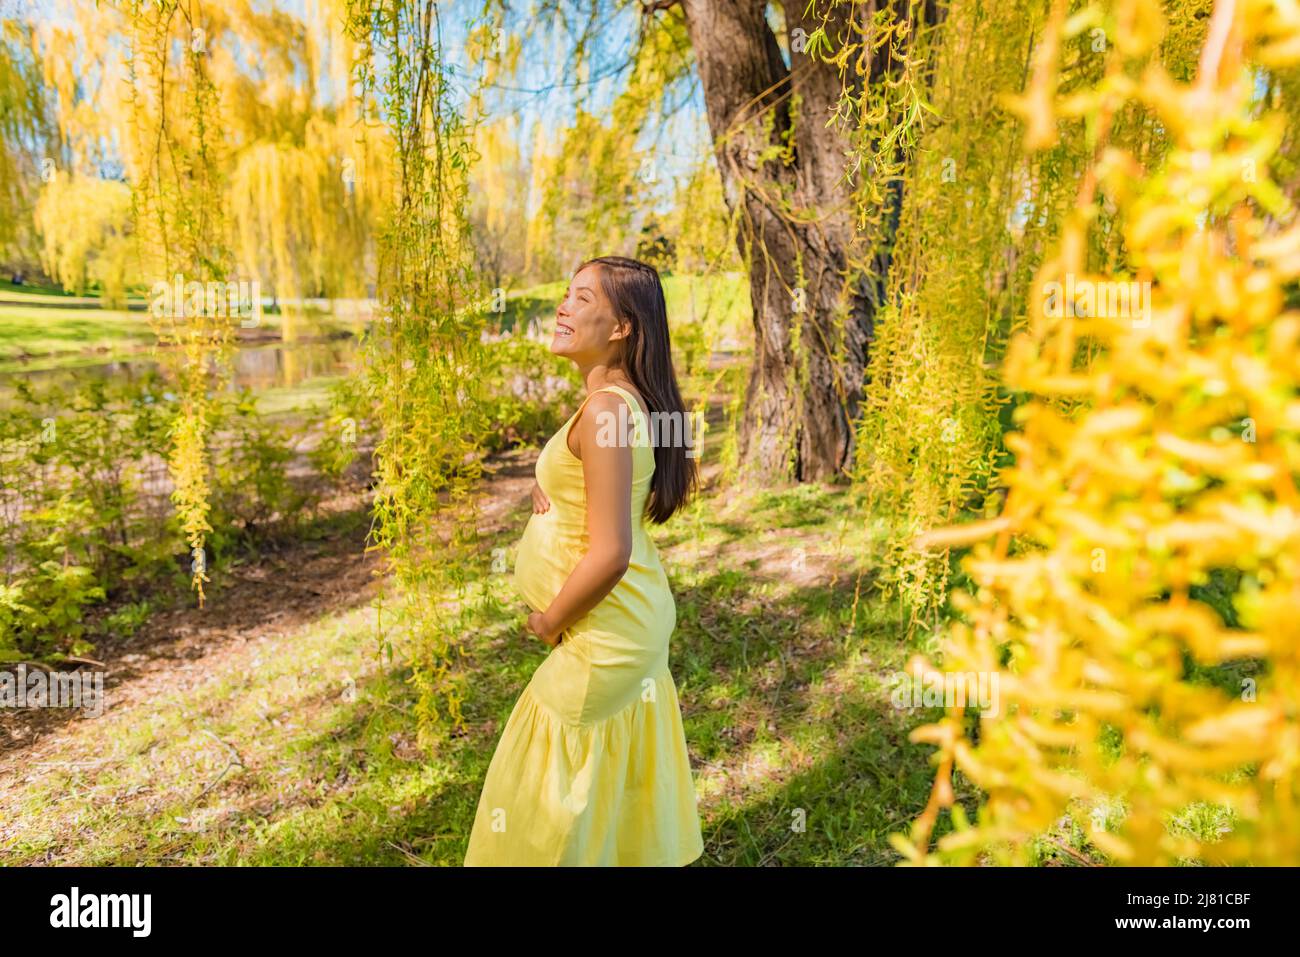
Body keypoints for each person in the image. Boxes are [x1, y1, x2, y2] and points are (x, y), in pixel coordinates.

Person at [463, 255, 704, 866]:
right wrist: (549, 486)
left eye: (581, 299)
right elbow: (606, 496)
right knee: (602, 798)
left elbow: (613, 552)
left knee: (542, 807)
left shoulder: (605, 410)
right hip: (626, 630)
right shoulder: (619, 404)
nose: (562, 309)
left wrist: (548, 621)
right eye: (565, 296)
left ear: (622, 325)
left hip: (602, 638)